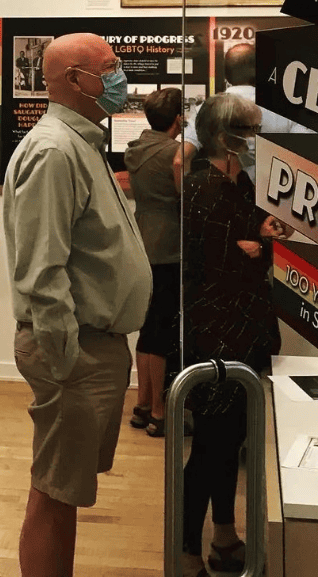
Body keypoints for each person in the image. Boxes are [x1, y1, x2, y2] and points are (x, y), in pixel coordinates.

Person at [3, 32, 152, 577]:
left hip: (94, 347)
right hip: (75, 352)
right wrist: (65, 361)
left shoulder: (80, 143)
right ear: (75, 80)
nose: (119, 78)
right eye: (110, 68)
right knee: (53, 490)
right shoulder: (53, 150)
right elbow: (42, 271)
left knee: (65, 489)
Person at [181, 93, 288, 577]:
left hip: (246, 329)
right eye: (247, 130)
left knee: (231, 440)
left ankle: (224, 535)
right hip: (216, 333)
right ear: (225, 137)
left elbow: (255, 246)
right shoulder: (203, 187)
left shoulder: (240, 181)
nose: (254, 138)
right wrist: (258, 241)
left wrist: (259, 241)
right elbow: (227, 262)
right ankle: (185, 550)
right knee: (209, 446)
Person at [124, 87, 183, 437]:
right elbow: (182, 196)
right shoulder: (174, 153)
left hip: (142, 239)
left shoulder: (137, 150)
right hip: (168, 247)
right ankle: (160, 411)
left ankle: (143, 403)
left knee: (148, 329)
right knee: (161, 330)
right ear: (178, 119)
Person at [173, 42, 309, 189]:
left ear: (227, 74)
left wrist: (188, 199)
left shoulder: (205, 108)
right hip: (276, 198)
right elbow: (308, 158)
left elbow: (180, 160)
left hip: (228, 199)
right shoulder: (290, 109)